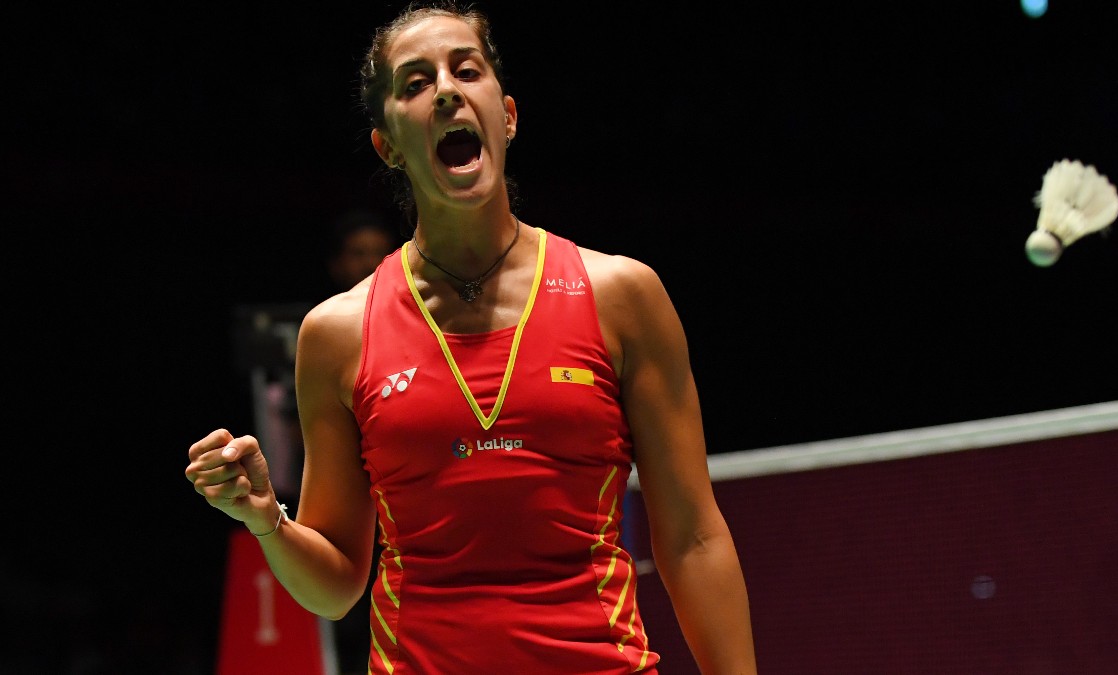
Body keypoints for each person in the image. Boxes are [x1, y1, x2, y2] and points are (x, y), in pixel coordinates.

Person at [185, 2, 757, 673]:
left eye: (466, 70)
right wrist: (267, 521)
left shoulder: (621, 298)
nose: (449, 90)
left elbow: (693, 538)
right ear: (388, 145)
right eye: (416, 82)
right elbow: (337, 583)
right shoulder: (338, 333)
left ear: (507, 116)